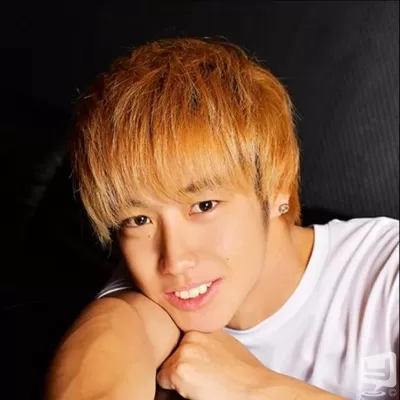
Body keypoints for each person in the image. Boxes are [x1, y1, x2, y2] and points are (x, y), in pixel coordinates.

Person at [45, 38, 399, 400]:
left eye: (204, 205)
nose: (175, 261)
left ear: (276, 187)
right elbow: (109, 335)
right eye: (138, 220)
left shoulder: (386, 270)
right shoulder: (149, 300)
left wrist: (254, 389)